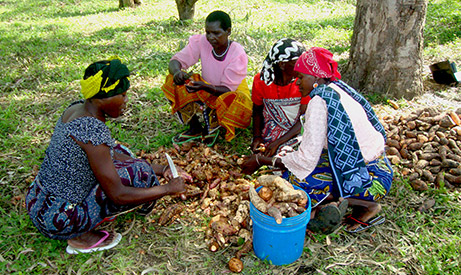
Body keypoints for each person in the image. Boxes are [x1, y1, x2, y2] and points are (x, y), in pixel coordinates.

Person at [25, 58, 191, 254]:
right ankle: (80, 237)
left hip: (39, 203)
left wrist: (163, 169)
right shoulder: (92, 130)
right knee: (141, 176)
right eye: (122, 95)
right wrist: (167, 189)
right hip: (61, 219)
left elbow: (112, 155)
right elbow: (118, 194)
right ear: (102, 98)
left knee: (125, 155)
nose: (126, 100)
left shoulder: (76, 109)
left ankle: (80, 221)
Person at [242, 47, 393, 234]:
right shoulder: (335, 88)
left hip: (369, 180)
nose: (297, 83)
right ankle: (328, 206)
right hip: (381, 169)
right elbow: (318, 142)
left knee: (294, 182)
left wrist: (261, 161)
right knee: (289, 163)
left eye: (300, 77)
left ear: (316, 78)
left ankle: (365, 205)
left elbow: (306, 161)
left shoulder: (319, 102)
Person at [161, 10, 252, 146]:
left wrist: (204, 86)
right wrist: (177, 73)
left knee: (230, 99)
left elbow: (228, 89)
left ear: (228, 31)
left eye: (216, 33)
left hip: (229, 93)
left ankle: (215, 125)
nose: (210, 37)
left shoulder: (237, 53)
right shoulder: (202, 41)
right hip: (207, 88)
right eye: (208, 32)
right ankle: (196, 128)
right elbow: (176, 61)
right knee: (172, 82)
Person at [251, 38, 310, 157]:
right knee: (265, 151)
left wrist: (278, 143)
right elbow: (257, 111)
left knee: (298, 152)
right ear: (282, 65)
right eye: (297, 63)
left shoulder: (303, 83)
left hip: (296, 132)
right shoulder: (262, 81)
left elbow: (303, 119)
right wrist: (257, 137)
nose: (302, 67)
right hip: (271, 133)